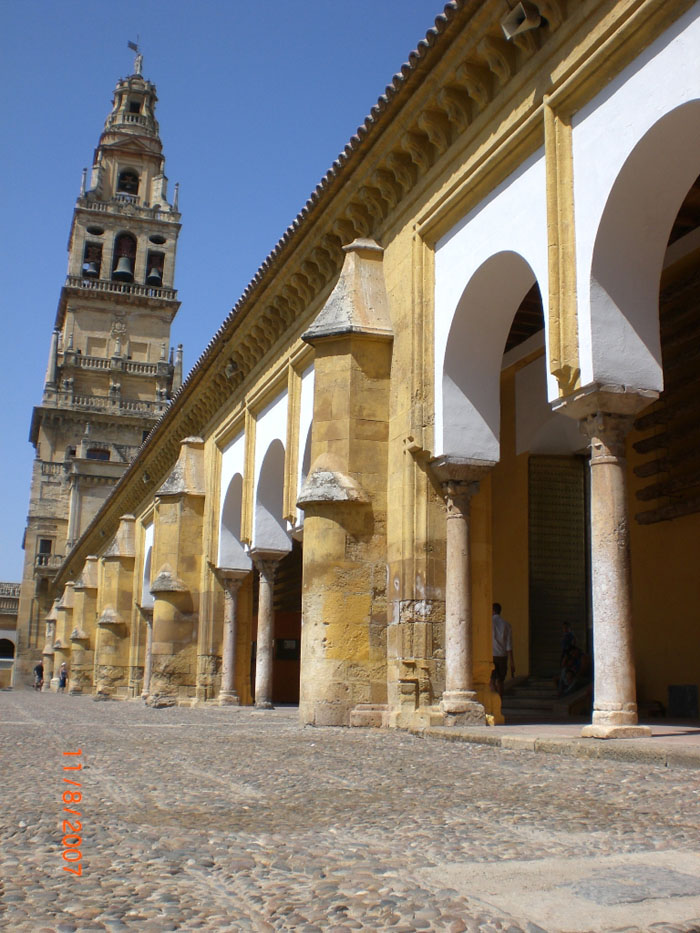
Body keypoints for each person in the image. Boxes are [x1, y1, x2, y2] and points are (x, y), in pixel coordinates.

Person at [491, 602, 515, 697]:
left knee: (491, 680)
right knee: (500, 680)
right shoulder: (507, 625)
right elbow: (509, 645)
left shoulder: (489, 623)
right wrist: (512, 662)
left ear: (492, 610)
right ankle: (500, 701)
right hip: (502, 656)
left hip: (491, 655)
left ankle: (493, 700)